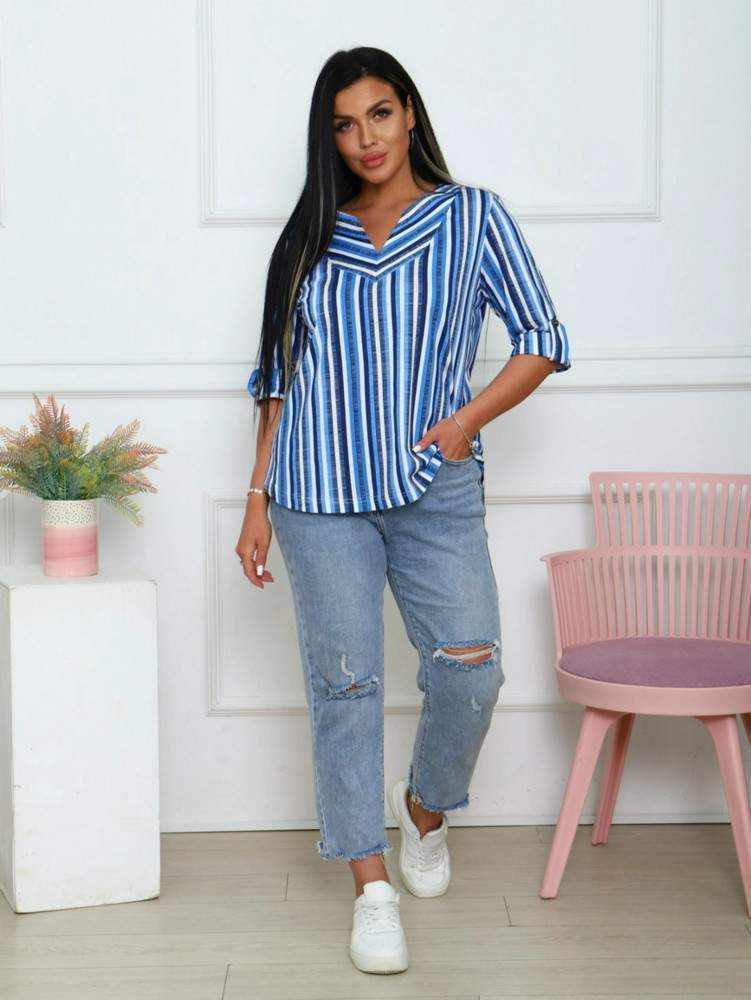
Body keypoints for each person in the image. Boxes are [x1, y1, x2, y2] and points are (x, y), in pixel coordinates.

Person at [236, 46, 569, 975]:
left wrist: (464, 422)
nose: (365, 138)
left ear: (410, 112)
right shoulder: (309, 239)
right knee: (344, 689)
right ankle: (371, 890)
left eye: (378, 114)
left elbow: (542, 337)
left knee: (471, 672)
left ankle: (422, 809)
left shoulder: (472, 216)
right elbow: (278, 378)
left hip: (434, 487)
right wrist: (257, 497)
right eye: (343, 125)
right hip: (315, 493)